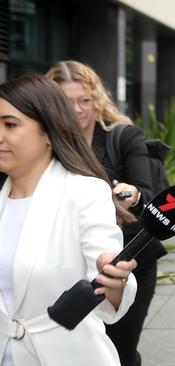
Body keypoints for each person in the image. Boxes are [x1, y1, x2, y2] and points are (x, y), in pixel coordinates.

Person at [0, 75, 138, 365]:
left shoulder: (84, 192)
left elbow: (106, 293)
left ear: (48, 132)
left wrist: (115, 279)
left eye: (10, 124)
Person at [46, 60, 163, 366]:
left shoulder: (122, 136)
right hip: (66, 261)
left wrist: (132, 195)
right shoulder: (45, 144)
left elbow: (149, 198)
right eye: (67, 102)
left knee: (120, 351)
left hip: (126, 260)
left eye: (84, 100)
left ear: (96, 99)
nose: (78, 109)